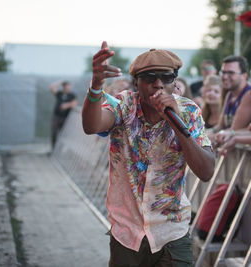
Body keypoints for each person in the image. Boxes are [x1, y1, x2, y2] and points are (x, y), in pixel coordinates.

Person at [82, 42, 215, 267]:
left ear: (175, 81)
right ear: (137, 82)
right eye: (149, 78)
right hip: (127, 233)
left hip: (172, 232)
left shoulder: (189, 111)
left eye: (167, 78)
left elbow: (206, 170)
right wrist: (96, 85)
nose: (158, 85)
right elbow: (91, 125)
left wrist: (175, 122)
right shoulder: (123, 105)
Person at [217, 55, 251, 130]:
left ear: (244, 75)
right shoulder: (230, 94)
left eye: (231, 73)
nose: (225, 76)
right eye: (223, 72)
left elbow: (233, 131)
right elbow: (220, 126)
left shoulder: (249, 95)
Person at [49, 80, 77, 148]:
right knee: (54, 132)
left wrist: (67, 105)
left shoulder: (72, 95)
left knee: (64, 134)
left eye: (69, 86)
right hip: (56, 116)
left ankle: (60, 148)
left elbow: (74, 104)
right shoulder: (59, 93)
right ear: (63, 87)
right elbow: (51, 87)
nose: (68, 88)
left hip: (65, 117)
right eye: (66, 86)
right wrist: (60, 82)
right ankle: (54, 148)